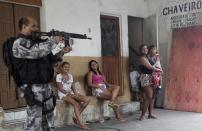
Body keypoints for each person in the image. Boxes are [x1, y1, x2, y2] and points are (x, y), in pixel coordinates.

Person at [12, 16, 72, 131]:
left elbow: (50, 61)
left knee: (49, 121)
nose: (37, 28)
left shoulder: (37, 43)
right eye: (33, 26)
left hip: (46, 87)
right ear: (24, 26)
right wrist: (53, 40)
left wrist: (61, 53)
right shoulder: (19, 43)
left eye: (37, 25)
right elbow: (36, 52)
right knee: (34, 123)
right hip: (33, 88)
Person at [56, 62, 90, 130]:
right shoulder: (59, 76)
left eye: (68, 67)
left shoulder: (70, 75)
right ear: (61, 68)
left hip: (70, 92)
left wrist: (75, 93)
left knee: (87, 99)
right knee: (76, 103)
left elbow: (72, 86)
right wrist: (69, 94)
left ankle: (75, 116)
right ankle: (80, 123)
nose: (67, 68)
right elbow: (60, 88)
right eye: (65, 67)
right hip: (63, 94)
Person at [138, 44, 162, 121]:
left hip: (152, 77)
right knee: (149, 96)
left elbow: (156, 66)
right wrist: (159, 69)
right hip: (145, 77)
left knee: (153, 96)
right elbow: (150, 68)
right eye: (143, 48)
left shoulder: (148, 57)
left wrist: (159, 69)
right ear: (140, 50)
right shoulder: (142, 58)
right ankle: (142, 115)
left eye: (146, 48)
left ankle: (150, 114)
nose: (145, 49)